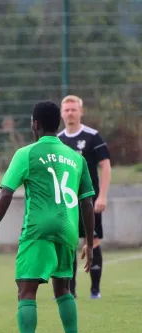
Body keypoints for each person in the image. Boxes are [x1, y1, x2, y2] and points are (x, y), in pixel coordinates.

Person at [0, 100, 96, 333]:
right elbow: (87, 201)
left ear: (35, 124)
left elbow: (6, 193)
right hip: (68, 230)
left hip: (38, 229)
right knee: (63, 289)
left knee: (26, 290)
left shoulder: (26, 153)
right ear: (57, 123)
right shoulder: (76, 158)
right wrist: (89, 243)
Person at [58, 95, 111, 299]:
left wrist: (103, 196)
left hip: (90, 200)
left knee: (92, 240)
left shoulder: (92, 136)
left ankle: (95, 290)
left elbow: (105, 165)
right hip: (67, 202)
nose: (70, 113)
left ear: (81, 111)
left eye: (74, 109)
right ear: (62, 113)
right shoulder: (59, 140)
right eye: (67, 110)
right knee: (68, 243)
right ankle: (69, 291)